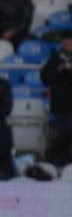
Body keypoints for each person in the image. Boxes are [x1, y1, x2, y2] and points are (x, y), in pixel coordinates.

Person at [41, 30, 72, 166]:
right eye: (64, 40)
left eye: (69, 40)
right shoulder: (56, 58)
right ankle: (52, 155)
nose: (66, 43)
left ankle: (61, 159)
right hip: (60, 104)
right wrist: (59, 69)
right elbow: (45, 77)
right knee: (65, 132)